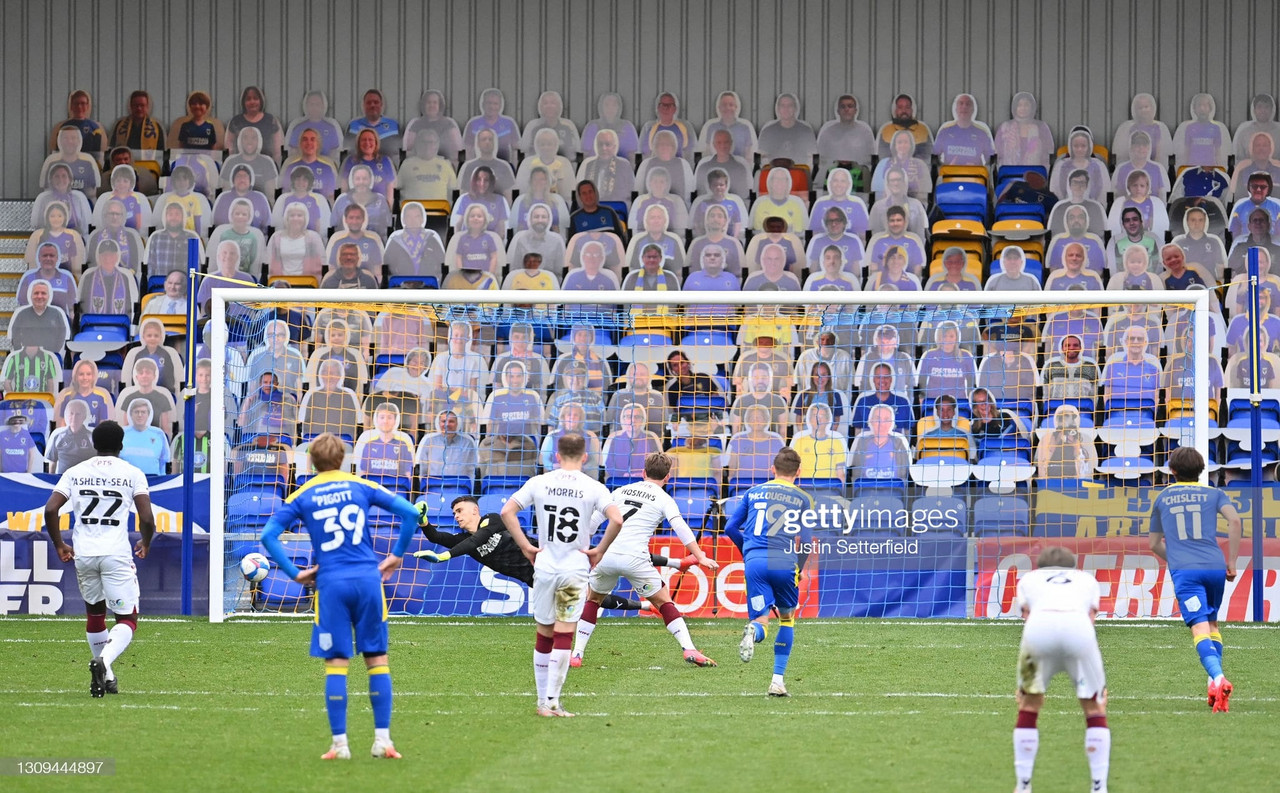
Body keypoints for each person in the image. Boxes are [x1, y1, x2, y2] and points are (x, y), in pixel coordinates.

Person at [259, 433, 420, 759]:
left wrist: (295, 573)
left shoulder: (303, 494)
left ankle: (340, 745)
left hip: (331, 583)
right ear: (344, 458)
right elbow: (412, 514)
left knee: (336, 663)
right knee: (377, 659)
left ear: (311, 461)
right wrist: (397, 554)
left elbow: (268, 535)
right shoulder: (360, 485)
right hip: (367, 579)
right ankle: (383, 741)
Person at [499, 433, 624, 718]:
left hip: (544, 567)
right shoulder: (594, 487)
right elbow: (617, 519)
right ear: (585, 457)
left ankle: (543, 702)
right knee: (564, 634)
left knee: (544, 633)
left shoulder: (539, 482)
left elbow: (507, 511)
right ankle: (554, 701)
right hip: (573, 571)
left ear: (556, 456)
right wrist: (599, 550)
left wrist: (526, 547)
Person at [570, 452, 718, 668]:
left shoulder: (619, 491)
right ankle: (689, 648)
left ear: (643, 472)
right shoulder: (664, 499)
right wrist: (700, 555)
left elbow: (592, 523)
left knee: (593, 600)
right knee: (664, 602)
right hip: (636, 559)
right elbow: (681, 528)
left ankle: (577, 654)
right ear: (668, 477)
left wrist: (580, 549)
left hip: (607, 554)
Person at [42, 421, 155, 698]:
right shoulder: (132, 473)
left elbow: (50, 509)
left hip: (84, 553)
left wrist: (59, 544)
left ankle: (108, 675)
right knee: (127, 618)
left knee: (95, 613)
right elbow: (148, 518)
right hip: (115, 553)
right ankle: (105, 661)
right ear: (121, 445)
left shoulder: (75, 472)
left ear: (94, 444)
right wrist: (146, 541)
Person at [1148, 447, 1244, 712]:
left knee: (1199, 628)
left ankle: (1219, 678)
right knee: (1212, 623)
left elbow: (1154, 544)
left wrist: (1178, 557)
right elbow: (1234, 522)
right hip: (1214, 566)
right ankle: (1213, 686)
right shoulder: (1215, 493)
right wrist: (1232, 561)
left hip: (1186, 571)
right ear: (1202, 469)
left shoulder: (1163, 497)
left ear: (1172, 470)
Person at [1010, 546, 1111, 793]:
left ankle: (1023, 786)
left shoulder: (1030, 579)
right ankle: (1099, 788)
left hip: (1039, 629)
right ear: (1072, 567)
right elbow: (1091, 616)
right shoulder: (1086, 580)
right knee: (1095, 706)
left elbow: (1026, 614)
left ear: (1041, 567)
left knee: (1029, 704)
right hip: (1078, 628)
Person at [723, 447, 813, 697]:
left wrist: (748, 552)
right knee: (787, 619)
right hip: (782, 560)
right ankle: (777, 681)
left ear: (772, 469)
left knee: (760, 619)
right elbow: (805, 541)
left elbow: (730, 527)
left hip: (755, 561)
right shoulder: (803, 498)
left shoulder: (752, 493)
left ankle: (755, 631)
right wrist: (800, 569)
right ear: (799, 472)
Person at [933, 93, 995, 166]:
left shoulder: (982, 131)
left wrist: (978, 168)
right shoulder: (945, 130)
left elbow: (991, 161)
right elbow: (935, 158)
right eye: (961, 103)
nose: (964, 107)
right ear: (955, 108)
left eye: (968, 104)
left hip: (975, 175)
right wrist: (947, 167)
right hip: (950, 175)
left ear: (973, 109)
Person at [462, 88, 521, 164]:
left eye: (495, 104)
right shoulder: (473, 124)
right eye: (488, 103)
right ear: (483, 104)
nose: (492, 107)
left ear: (500, 106)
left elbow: (515, 150)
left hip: (503, 169)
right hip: (479, 169)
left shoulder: (509, 124)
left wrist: (513, 169)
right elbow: (468, 151)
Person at [226, 85, 284, 162]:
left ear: (261, 100)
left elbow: (277, 150)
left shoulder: (271, 120)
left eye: (255, 98)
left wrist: (275, 167)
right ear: (243, 102)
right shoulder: (236, 121)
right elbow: (229, 148)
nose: (252, 102)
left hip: (266, 166)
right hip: (241, 167)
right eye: (248, 99)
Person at [402, 89, 464, 161]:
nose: (432, 105)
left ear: (440, 105)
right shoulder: (416, 124)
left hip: (444, 164)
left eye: (435, 103)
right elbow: (408, 150)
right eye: (428, 102)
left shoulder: (449, 123)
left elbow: (457, 150)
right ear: (423, 105)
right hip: (420, 163)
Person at [45, 398, 95, 474]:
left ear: (84, 417)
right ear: (67, 416)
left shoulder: (92, 438)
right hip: (63, 481)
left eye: (78, 414)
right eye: (71, 413)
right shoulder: (58, 437)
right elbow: (52, 463)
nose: (74, 417)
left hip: (84, 482)